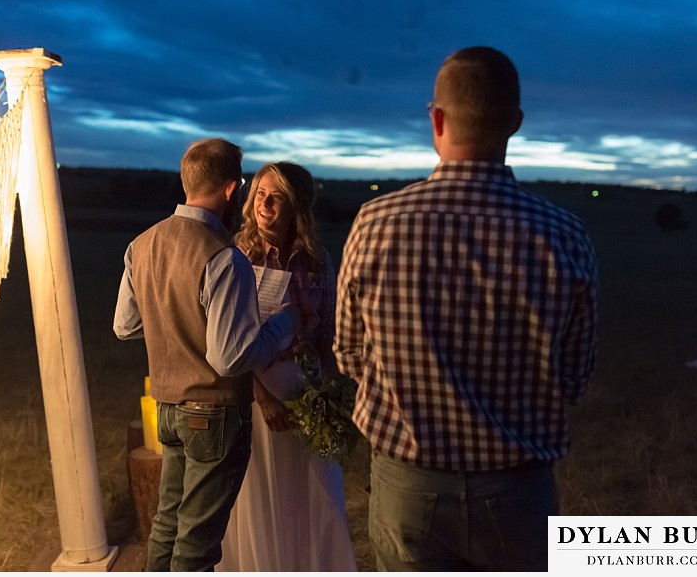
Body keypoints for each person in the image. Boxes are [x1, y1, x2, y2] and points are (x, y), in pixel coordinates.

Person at [334, 47, 599, 572]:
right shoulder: (564, 236)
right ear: (515, 123)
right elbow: (573, 378)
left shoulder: (376, 223)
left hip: (407, 487)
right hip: (519, 493)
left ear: (436, 118)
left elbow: (348, 354)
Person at [113, 138, 300, 572]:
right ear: (233, 189)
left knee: (166, 524)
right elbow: (229, 359)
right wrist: (281, 326)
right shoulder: (225, 258)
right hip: (214, 413)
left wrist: (171, 322)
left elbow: (125, 326)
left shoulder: (141, 244)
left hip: (167, 408)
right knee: (196, 543)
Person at [216, 162, 357, 572]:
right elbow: (227, 338)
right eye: (261, 193)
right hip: (256, 389)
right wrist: (261, 397)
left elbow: (328, 329)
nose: (266, 203)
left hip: (307, 388)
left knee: (317, 490)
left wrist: (331, 393)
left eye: (277, 196)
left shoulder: (316, 259)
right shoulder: (238, 255)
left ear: (296, 205)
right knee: (263, 492)